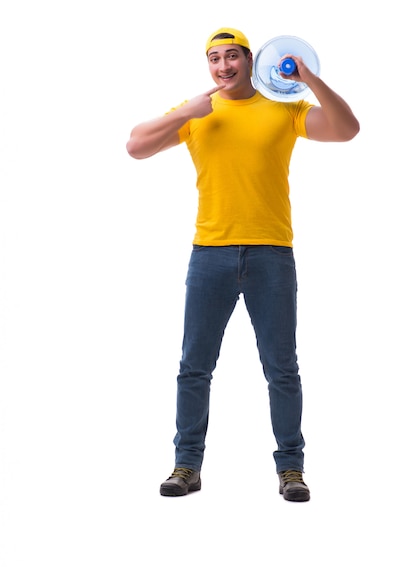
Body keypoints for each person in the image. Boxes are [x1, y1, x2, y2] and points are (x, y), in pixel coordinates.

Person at [126, 27, 359, 501]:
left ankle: (291, 470)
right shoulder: (197, 114)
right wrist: (189, 110)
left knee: (282, 368)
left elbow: (347, 129)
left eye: (232, 56)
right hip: (209, 254)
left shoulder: (284, 108)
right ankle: (186, 466)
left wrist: (311, 79)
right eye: (214, 58)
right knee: (194, 368)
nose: (223, 66)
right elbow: (136, 145)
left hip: (272, 254)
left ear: (252, 60)